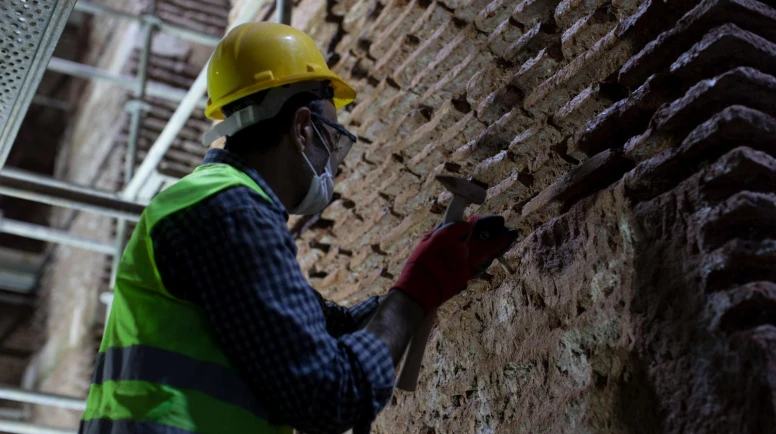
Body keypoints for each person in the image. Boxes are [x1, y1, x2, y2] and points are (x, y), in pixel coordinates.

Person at [79, 22, 517, 434]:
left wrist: (424, 280)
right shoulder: (231, 211)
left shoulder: (206, 201)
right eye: (333, 139)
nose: (334, 164)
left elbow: (322, 328)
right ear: (303, 129)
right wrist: (413, 296)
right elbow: (329, 396)